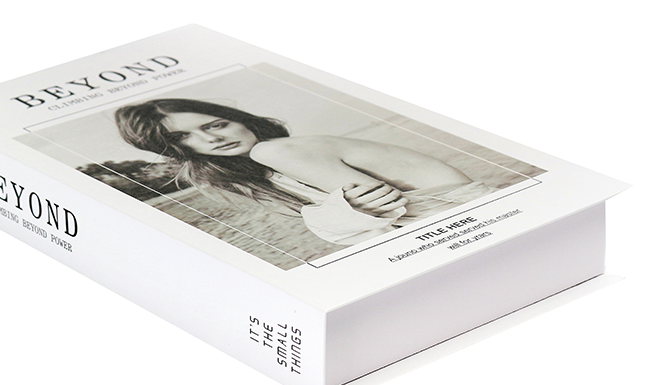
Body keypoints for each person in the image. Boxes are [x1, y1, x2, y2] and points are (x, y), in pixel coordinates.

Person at [114, 98, 494, 245]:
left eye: (216, 124)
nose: (211, 139)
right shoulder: (267, 166)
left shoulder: (274, 150)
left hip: (462, 212)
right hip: (464, 211)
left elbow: (386, 206)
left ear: (238, 118)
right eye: (184, 137)